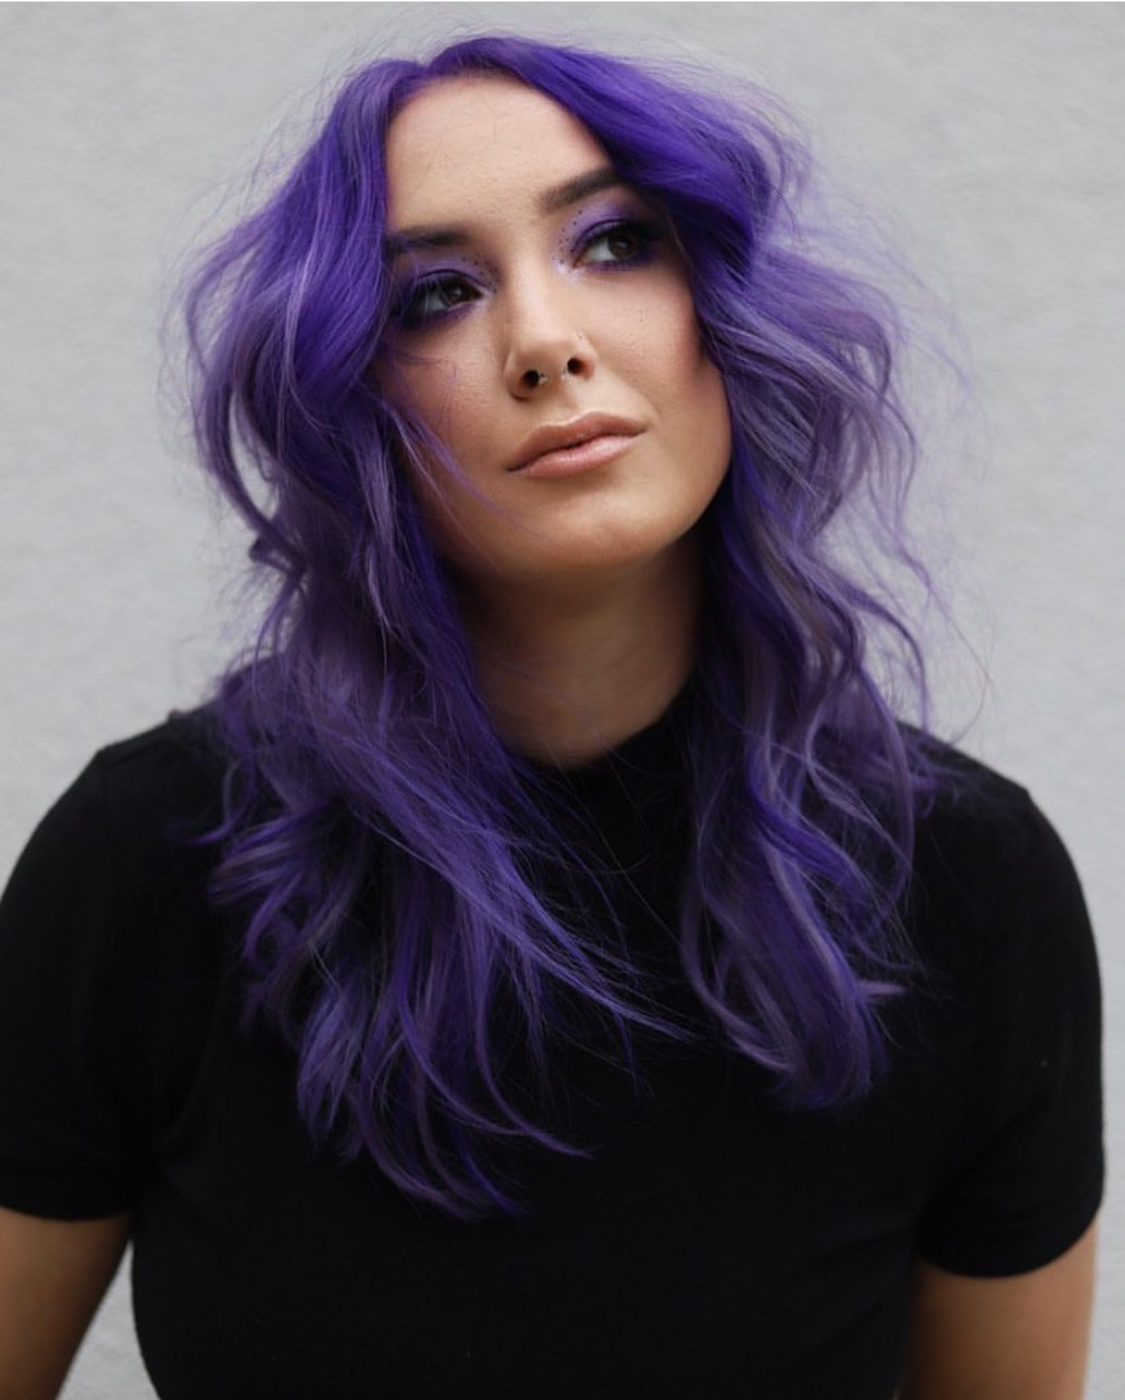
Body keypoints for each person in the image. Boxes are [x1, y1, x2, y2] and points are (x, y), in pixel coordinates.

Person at [0, 34, 1103, 1400]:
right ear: (351, 405)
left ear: (724, 312)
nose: (543, 341)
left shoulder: (966, 886)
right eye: (436, 295)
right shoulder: (153, 862)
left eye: (613, 243)